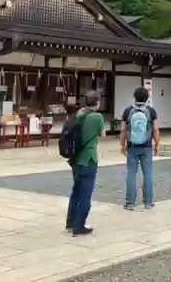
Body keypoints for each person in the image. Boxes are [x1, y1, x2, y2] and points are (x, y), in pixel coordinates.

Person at [65, 90, 105, 236]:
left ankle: (70, 222)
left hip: (76, 158)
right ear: (98, 102)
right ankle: (79, 226)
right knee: (85, 193)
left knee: (76, 190)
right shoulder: (97, 117)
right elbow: (102, 134)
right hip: (89, 157)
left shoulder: (79, 114)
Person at [120, 87, 159, 210]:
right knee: (147, 174)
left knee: (131, 174)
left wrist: (123, 144)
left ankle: (130, 203)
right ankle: (148, 202)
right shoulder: (151, 111)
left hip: (132, 147)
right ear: (147, 98)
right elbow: (155, 129)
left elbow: (123, 129)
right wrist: (156, 144)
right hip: (146, 146)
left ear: (134, 97)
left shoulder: (127, 111)